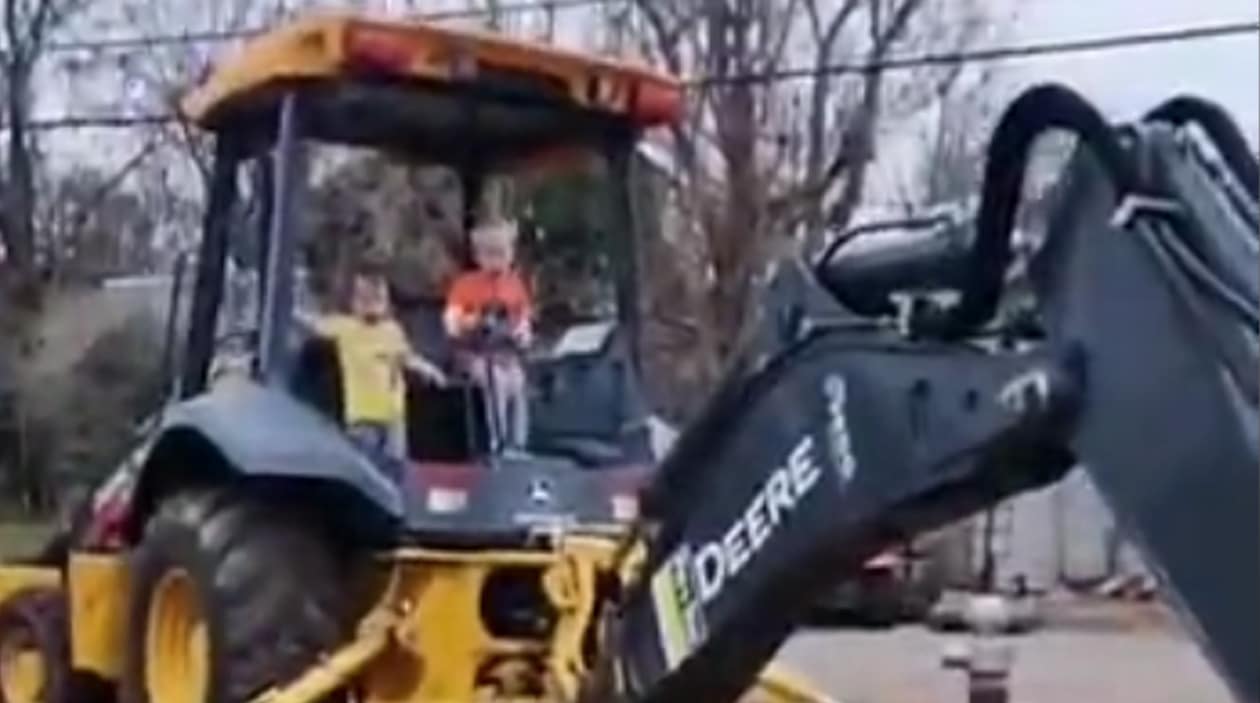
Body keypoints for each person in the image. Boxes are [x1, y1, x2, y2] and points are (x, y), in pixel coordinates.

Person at [304, 257, 447, 465]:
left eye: (377, 298)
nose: (371, 304)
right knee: (365, 462)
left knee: (395, 463)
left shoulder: (392, 330)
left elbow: (406, 358)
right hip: (362, 415)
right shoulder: (344, 327)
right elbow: (312, 324)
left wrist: (430, 371)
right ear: (352, 302)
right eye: (364, 299)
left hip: (393, 415)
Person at [444, 217, 533, 451]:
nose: (497, 260)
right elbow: (451, 322)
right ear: (478, 257)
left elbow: (524, 319)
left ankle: (518, 442)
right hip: (473, 354)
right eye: (491, 254)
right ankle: (496, 440)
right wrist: (472, 322)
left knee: (517, 382)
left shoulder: (515, 285)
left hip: (505, 352)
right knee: (495, 383)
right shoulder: (465, 285)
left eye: (502, 253)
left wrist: (521, 334)